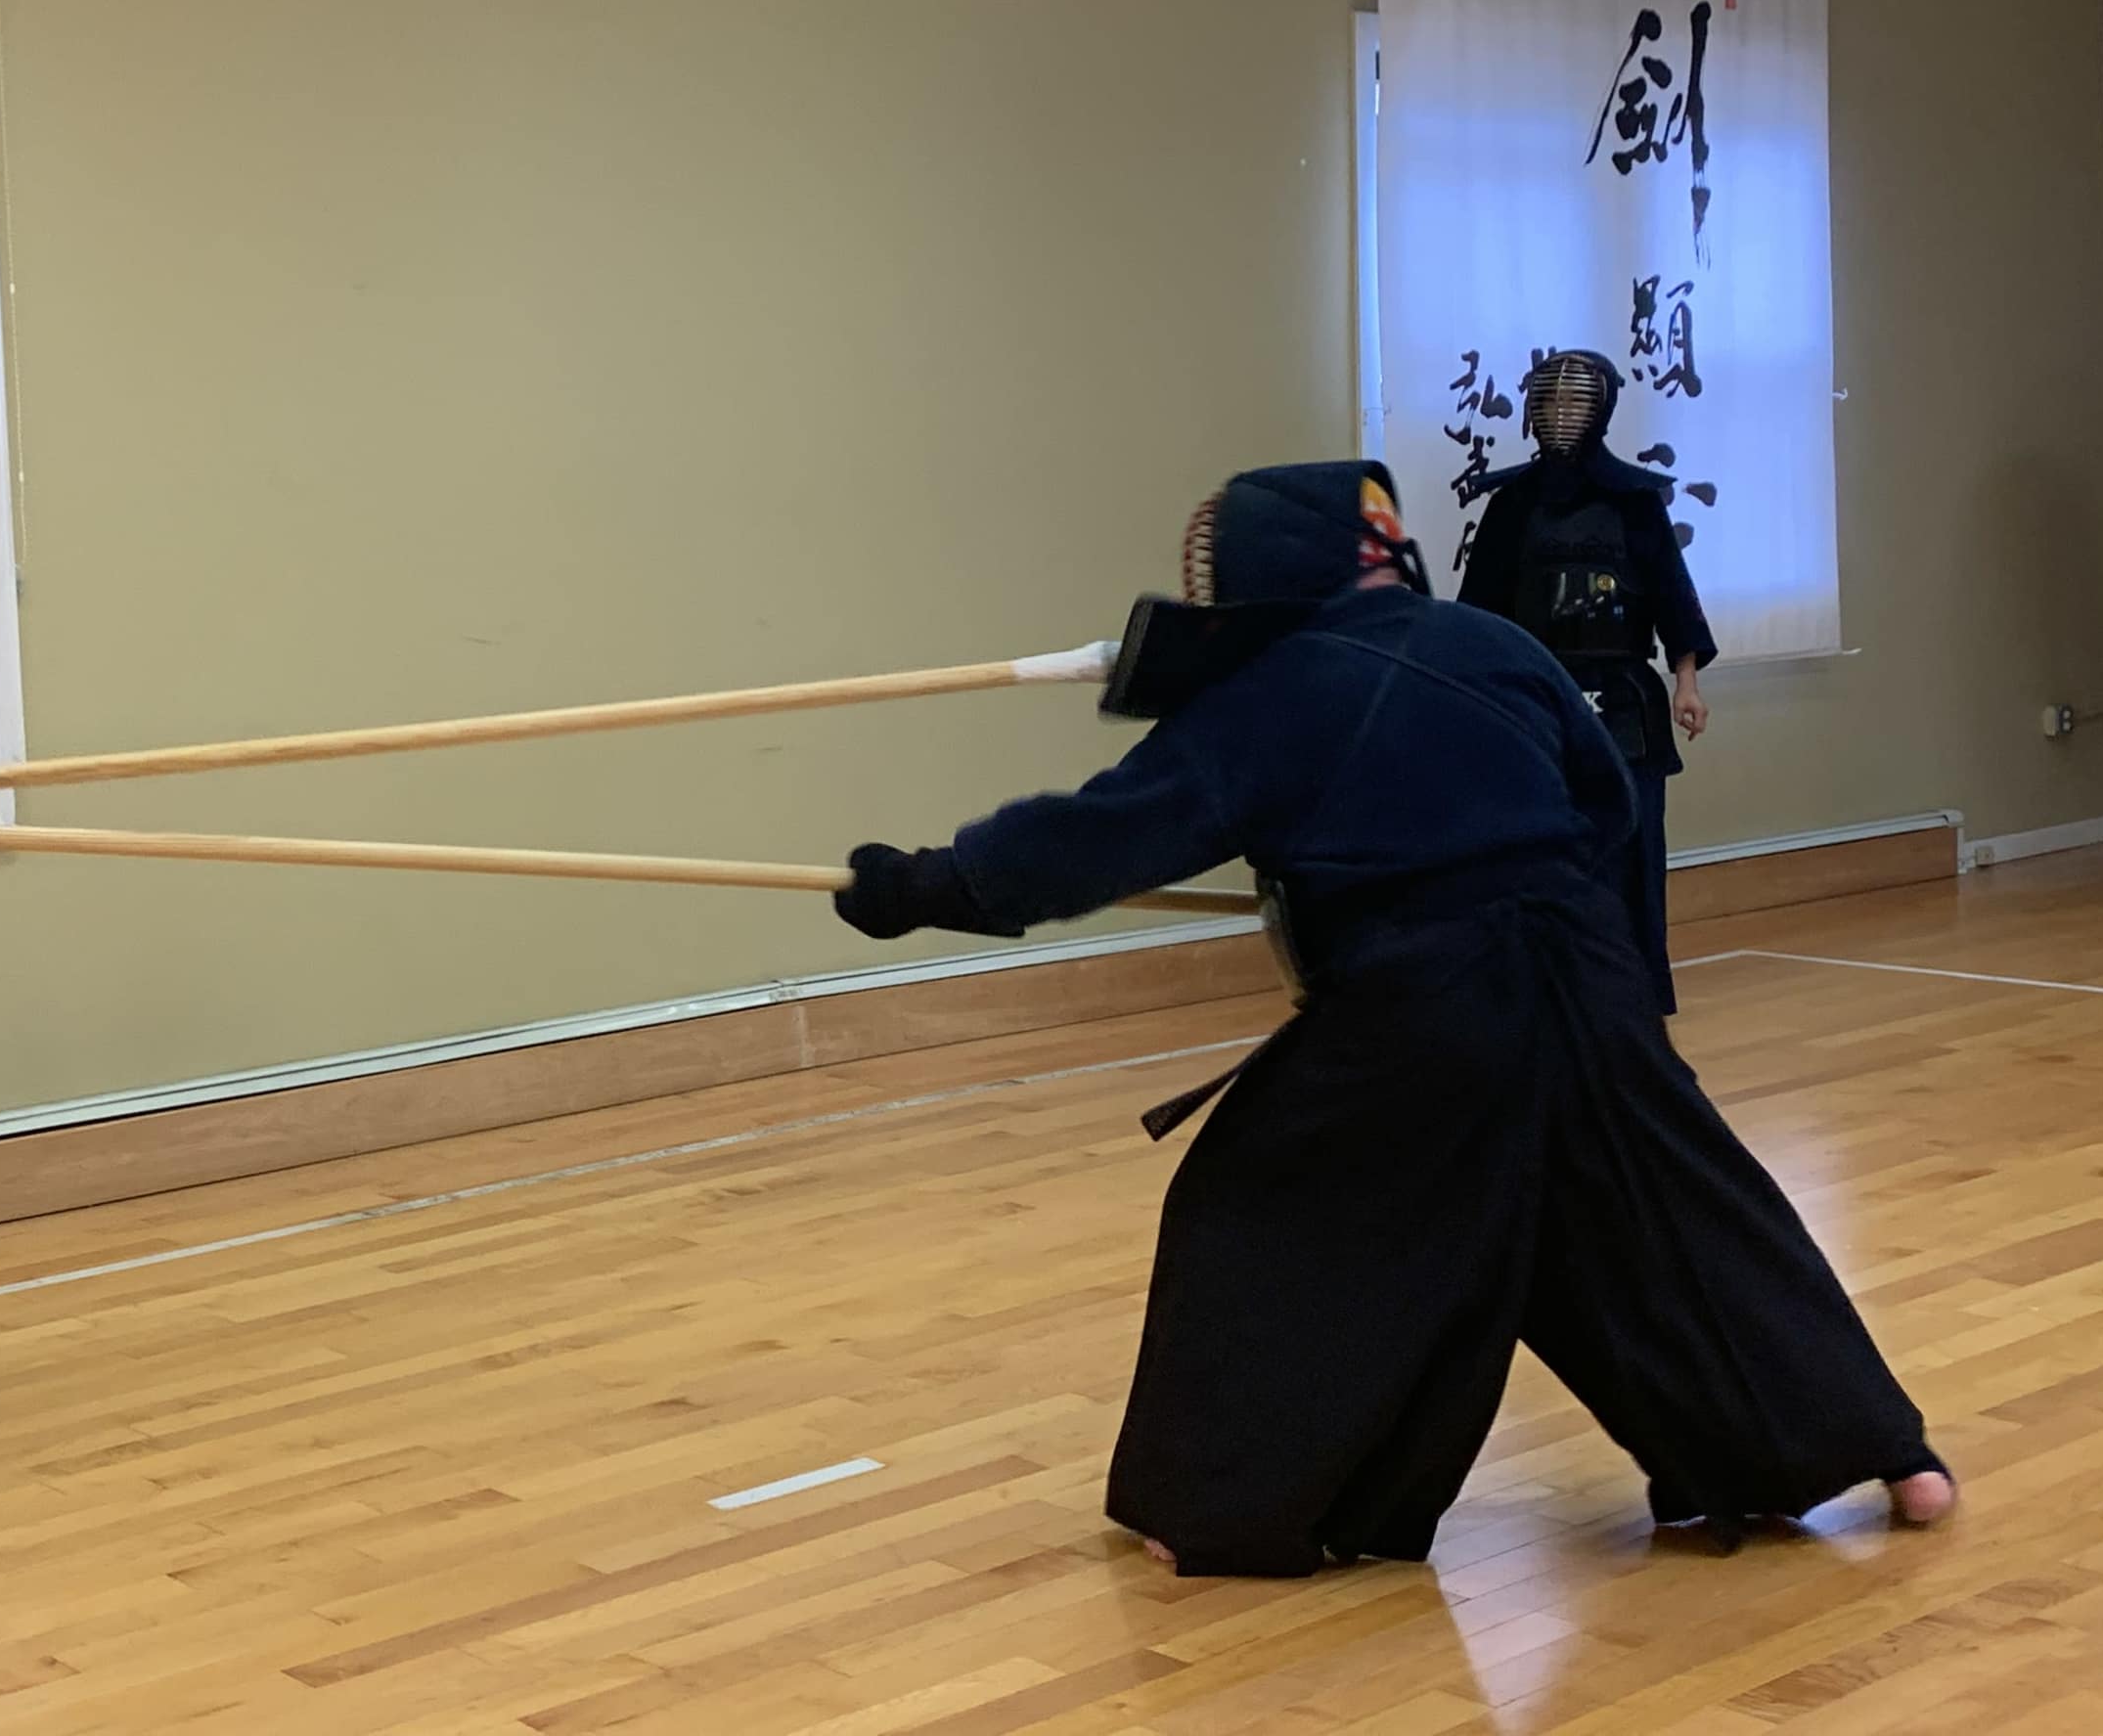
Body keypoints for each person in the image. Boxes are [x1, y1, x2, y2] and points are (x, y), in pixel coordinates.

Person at [830, 460, 1946, 1577]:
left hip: (1426, 1002)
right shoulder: (1498, 645)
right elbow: (1605, 804)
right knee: (1668, 1210)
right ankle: (1885, 1454)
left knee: (1258, 1205)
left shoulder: (1272, 690)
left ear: (1266, 572)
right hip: (1589, 973)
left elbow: (1101, 836)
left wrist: (926, 885)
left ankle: (1230, 1503)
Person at [1456, 350, 1716, 1014]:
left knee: (1632, 848)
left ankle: (1635, 993)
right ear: (1532, 410)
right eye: (1550, 401)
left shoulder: (1635, 502)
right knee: (1534, 847)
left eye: (1576, 401)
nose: (1562, 414)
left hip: (1624, 695)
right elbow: (1478, 612)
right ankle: (1540, 991)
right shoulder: (1511, 504)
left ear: (1601, 409)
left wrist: (1686, 682)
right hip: (1534, 695)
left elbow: (1672, 595)